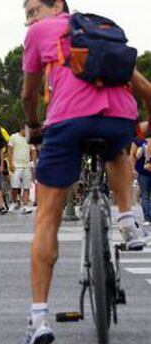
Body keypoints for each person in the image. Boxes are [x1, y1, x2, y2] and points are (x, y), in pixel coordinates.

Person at [20, 0, 150, 343]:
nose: (29, 19)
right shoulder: (100, 31)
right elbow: (145, 89)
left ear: (57, 6)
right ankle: (125, 219)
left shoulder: (39, 33)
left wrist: (34, 125)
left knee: (47, 216)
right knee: (118, 147)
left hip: (67, 119)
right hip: (119, 118)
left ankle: (39, 320)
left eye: (33, 10)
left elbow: (28, 92)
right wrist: (144, 128)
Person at [8, 123, 34, 214]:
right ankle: (14, 202)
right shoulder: (13, 137)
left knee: (26, 187)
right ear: (22, 129)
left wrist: (33, 163)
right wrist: (10, 163)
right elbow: (9, 151)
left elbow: (33, 150)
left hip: (26, 165)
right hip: (16, 165)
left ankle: (25, 205)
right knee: (14, 186)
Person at [130, 133, 151, 228]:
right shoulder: (138, 140)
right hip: (143, 172)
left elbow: (133, 155)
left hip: (142, 172)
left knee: (145, 195)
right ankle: (148, 217)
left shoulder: (139, 140)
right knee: (145, 195)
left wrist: (133, 169)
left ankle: (147, 218)